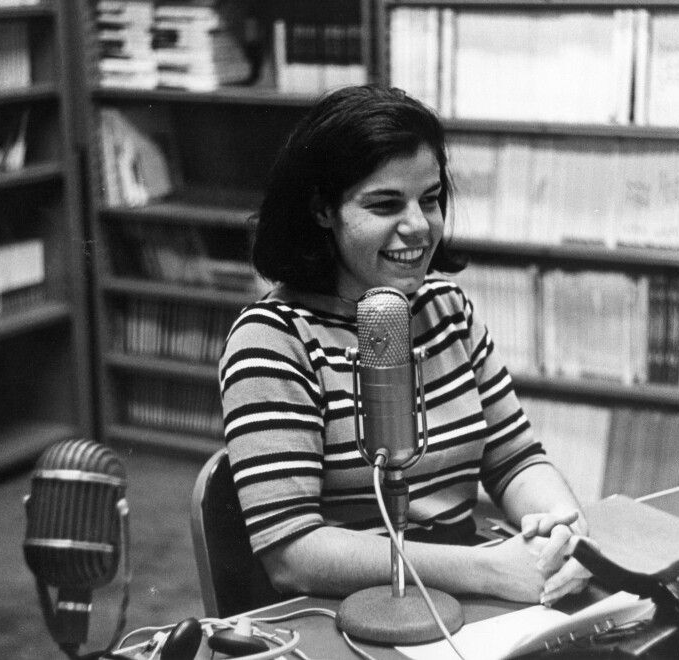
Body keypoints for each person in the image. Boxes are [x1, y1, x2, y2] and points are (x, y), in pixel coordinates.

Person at [219, 84, 590, 606]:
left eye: (430, 199)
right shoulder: (273, 340)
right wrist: (487, 571)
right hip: (350, 611)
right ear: (322, 209)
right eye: (385, 204)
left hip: (462, 597)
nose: (418, 226)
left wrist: (565, 534)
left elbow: (516, 460)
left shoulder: (446, 308)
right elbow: (292, 554)